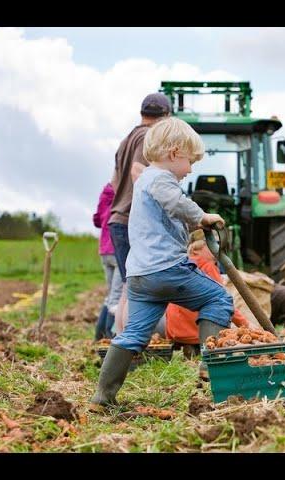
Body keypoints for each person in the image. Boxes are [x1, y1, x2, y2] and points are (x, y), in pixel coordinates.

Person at [90, 117, 233, 409]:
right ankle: (210, 365)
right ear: (173, 153)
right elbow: (175, 203)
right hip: (166, 269)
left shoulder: (144, 180)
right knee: (218, 298)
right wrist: (202, 217)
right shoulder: (161, 179)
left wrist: (191, 231)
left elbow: (166, 216)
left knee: (133, 334)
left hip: (141, 277)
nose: (190, 170)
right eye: (189, 161)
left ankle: (102, 397)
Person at [107, 93, 172, 283]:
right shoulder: (147, 137)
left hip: (118, 220)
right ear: (166, 116)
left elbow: (114, 183)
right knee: (142, 291)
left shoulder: (127, 139)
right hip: (131, 223)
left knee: (129, 291)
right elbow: (137, 171)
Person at [165, 234, 250, 358]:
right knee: (220, 312)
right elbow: (223, 299)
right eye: (212, 244)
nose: (217, 248)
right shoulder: (207, 265)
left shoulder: (181, 264)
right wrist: (244, 324)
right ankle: (207, 354)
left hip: (175, 330)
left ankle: (191, 351)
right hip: (194, 331)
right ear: (196, 249)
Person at [92, 182, 123, 340]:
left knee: (111, 294)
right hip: (117, 248)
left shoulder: (106, 192)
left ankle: (99, 336)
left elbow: (97, 220)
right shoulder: (124, 193)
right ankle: (111, 338)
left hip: (104, 250)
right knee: (116, 296)